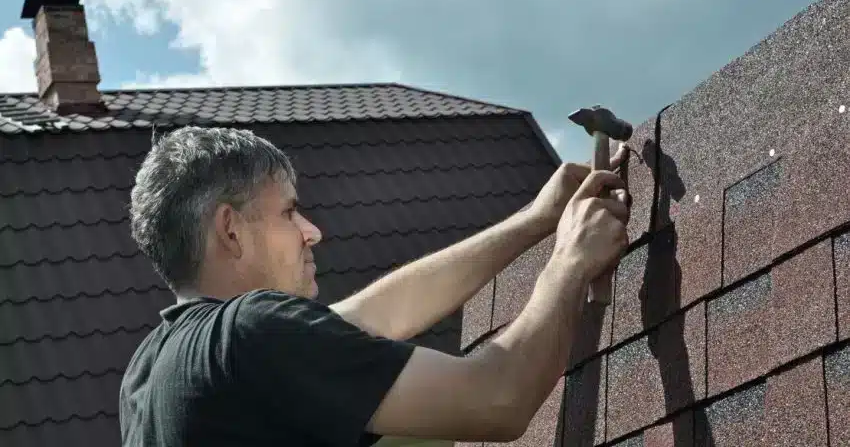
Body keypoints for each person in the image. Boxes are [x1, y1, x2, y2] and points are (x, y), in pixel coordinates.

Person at [118, 125, 631, 446]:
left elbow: (377, 313)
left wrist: (534, 220)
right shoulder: (250, 334)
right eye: (289, 212)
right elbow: (498, 399)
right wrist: (569, 260)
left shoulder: (153, 371)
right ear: (230, 229)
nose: (311, 231)